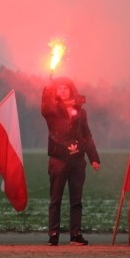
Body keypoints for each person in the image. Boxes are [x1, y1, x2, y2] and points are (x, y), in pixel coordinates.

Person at [41, 76, 100, 246]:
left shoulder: (80, 111)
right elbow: (44, 107)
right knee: (55, 200)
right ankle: (53, 234)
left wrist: (93, 157)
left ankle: (75, 234)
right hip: (58, 160)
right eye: (59, 88)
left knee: (76, 200)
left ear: (71, 90)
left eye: (65, 88)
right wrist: (47, 89)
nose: (63, 90)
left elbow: (86, 134)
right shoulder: (52, 109)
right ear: (55, 91)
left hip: (77, 160)